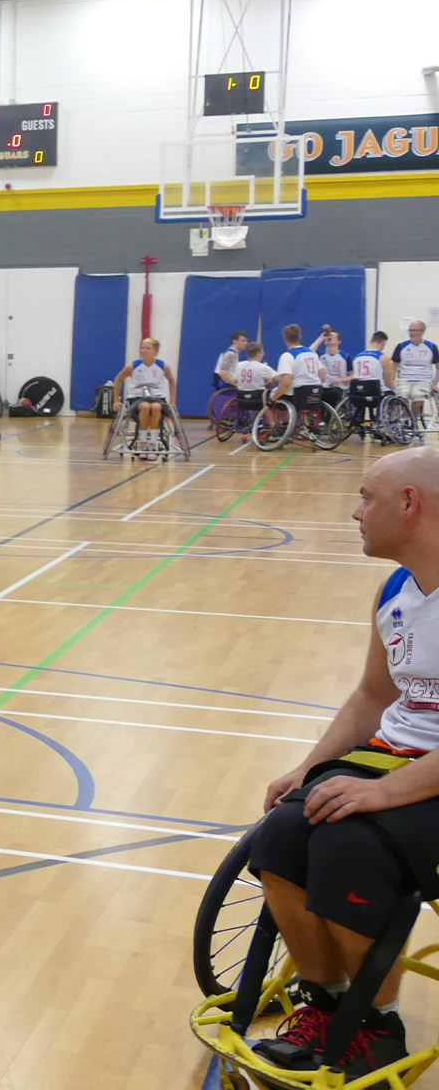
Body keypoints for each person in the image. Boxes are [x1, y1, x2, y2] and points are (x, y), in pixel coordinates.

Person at [243, 448, 439, 1078]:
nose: (356, 512)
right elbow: (375, 696)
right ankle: (327, 1004)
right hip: (397, 753)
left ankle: (377, 1026)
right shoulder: (395, 589)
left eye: (366, 498)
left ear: (409, 504)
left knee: (348, 846)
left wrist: (385, 792)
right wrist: (312, 766)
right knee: (280, 835)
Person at [115, 338, 176, 456]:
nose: (144, 350)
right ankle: (143, 442)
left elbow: (172, 382)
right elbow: (118, 380)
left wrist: (173, 401)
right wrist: (116, 401)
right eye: (142, 347)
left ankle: (153, 443)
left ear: (155, 351)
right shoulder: (133, 366)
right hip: (137, 398)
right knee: (145, 407)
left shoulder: (163, 366)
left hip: (157, 397)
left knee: (156, 407)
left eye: (148, 348)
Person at [276, 323, 327, 416]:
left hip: (296, 395)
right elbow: (323, 376)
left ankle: (277, 426)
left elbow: (286, 383)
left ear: (284, 338)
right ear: (300, 336)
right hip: (315, 392)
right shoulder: (312, 353)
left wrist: (273, 400)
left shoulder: (288, 355)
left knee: (271, 397)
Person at [394, 321, 435, 431]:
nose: (411, 333)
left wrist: (434, 384)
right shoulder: (402, 346)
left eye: (414, 330)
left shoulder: (431, 347)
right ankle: (404, 420)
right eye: (410, 330)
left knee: (417, 394)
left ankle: (414, 420)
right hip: (404, 378)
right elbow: (394, 366)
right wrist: (392, 382)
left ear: (422, 331)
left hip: (423, 379)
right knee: (403, 394)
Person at [352, 332, 391, 435]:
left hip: (358, 393)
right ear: (383, 343)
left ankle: (359, 420)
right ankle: (380, 424)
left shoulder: (357, 357)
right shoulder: (384, 358)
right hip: (375, 391)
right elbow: (389, 381)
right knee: (392, 394)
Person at [234, 342, 277, 416]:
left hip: (241, 399)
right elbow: (279, 378)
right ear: (258, 353)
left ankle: (252, 419)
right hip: (258, 399)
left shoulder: (238, 365)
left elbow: (235, 380)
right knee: (274, 394)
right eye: (262, 351)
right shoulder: (262, 367)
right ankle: (272, 422)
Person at [317, 328, 350, 398]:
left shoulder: (345, 356)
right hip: (323, 386)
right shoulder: (320, 355)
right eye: (328, 336)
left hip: (339, 387)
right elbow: (310, 351)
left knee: (332, 394)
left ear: (339, 341)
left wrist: (340, 380)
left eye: (333, 336)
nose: (330, 337)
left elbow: (352, 376)